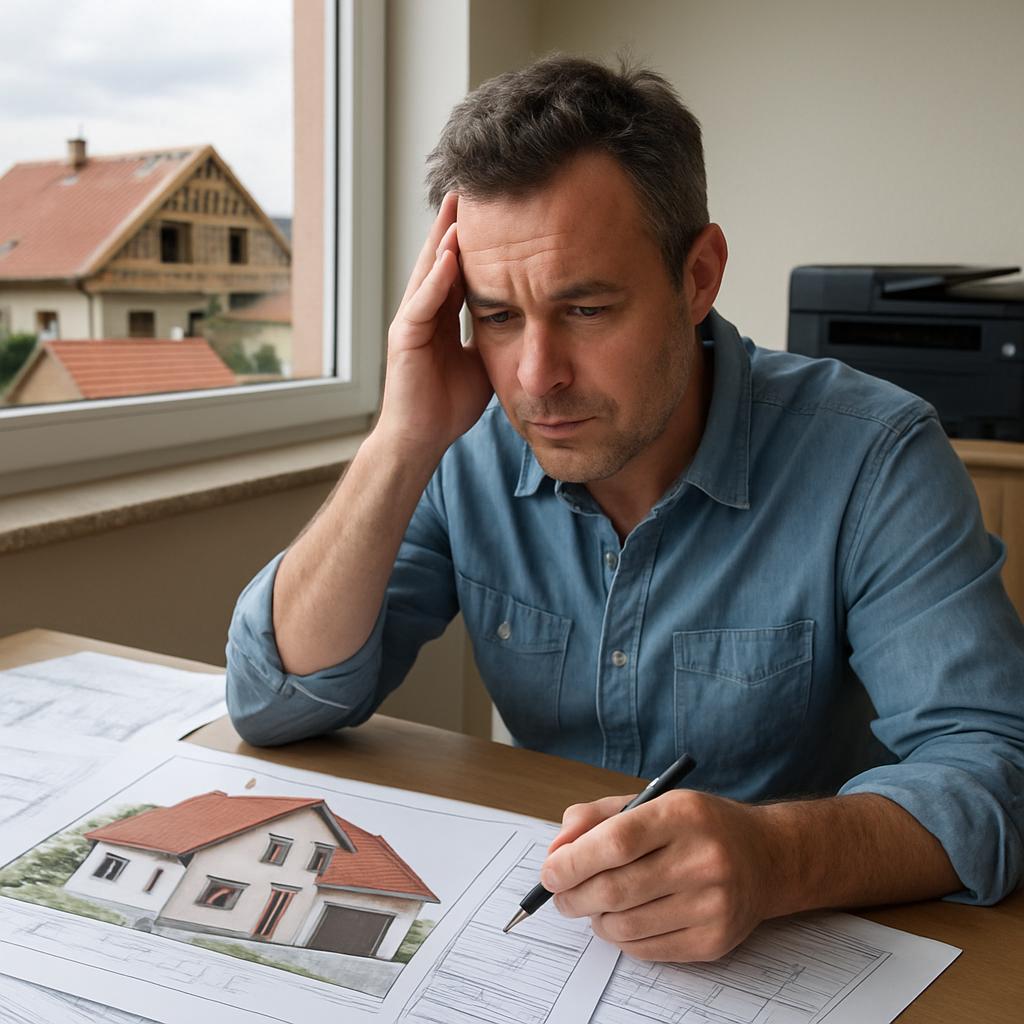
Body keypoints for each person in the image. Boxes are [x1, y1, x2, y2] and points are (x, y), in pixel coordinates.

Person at [226, 55, 1024, 962]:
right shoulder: (465, 450)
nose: (537, 379)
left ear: (699, 277)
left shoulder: (874, 459)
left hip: (803, 952)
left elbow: (996, 773)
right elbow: (272, 700)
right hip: (564, 939)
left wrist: (776, 856)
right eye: (496, 317)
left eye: (588, 308)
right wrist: (398, 441)